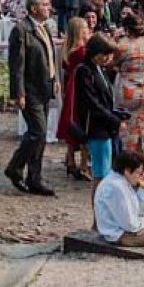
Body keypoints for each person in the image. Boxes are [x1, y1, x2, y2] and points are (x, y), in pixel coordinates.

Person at [5, 0, 59, 197]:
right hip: (30, 89)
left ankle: (35, 177)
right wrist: (18, 93)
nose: (49, 7)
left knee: (41, 135)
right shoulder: (21, 30)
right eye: (45, 4)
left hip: (45, 87)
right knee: (37, 131)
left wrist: (55, 80)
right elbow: (16, 66)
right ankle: (15, 167)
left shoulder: (44, 28)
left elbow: (49, 56)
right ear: (34, 8)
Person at [73, 32, 124, 214]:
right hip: (96, 128)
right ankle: (98, 216)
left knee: (109, 172)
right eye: (105, 54)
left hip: (107, 126)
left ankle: (106, 212)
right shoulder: (84, 71)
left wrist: (117, 115)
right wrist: (114, 119)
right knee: (100, 175)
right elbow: (91, 103)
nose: (109, 59)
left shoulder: (100, 69)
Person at [113, 12, 144, 161]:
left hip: (127, 86)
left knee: (125, 125)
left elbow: (111, 63)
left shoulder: (122, 46)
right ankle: (141, 159)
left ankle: (126, 160)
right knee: (142, 126)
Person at [56, 16, 91, 179]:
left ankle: (71, 160)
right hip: (81, 88)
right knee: (83, 123)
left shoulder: (67, 48)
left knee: (72, 122)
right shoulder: (82, 50)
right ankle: (84, 164)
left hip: (71, 86)